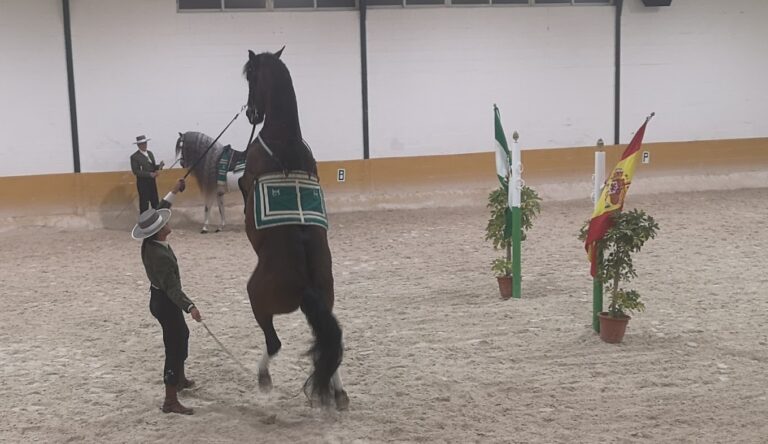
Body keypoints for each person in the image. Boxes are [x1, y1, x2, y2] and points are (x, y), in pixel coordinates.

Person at [131, 178, 202, 415]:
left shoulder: (151, 242)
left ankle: (179, 379)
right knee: (174, 346)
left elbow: (162, 207)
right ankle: (170, 400)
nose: (167, 222)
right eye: (164, 223)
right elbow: (172, 289)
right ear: (160, 231)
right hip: (165, 302)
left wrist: (174, 191)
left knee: (182, 335)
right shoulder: (160, 257)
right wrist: (190, 306)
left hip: (160, 298)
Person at [130, 135, 165, 214]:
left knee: (155, 201)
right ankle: (144, 220)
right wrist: (149, 174)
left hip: (152, 182)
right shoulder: (134, 157)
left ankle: (156, 218)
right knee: (144, 204)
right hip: (143, 184)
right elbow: (136, 171)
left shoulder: (150, 153)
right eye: (142, 144)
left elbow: (152, 166)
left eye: (145, 143)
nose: (144, 145)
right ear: (138, 145)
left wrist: (159, 166)